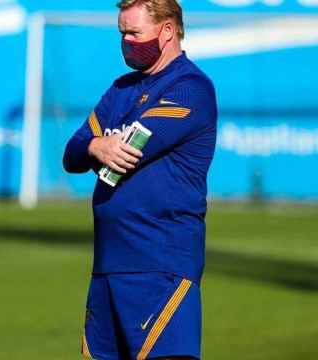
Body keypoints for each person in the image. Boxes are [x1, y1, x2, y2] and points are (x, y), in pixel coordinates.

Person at [63, 0, 218, 359]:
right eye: (122, 33)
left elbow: (132, 149)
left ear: (166, 31)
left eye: (135, 32)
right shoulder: (121, 89)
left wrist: (97, 146)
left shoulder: (190, 87)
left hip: (159, 265)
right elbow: (73, 153)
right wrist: (98, 145)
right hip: (107, 265)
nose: (127, 42)